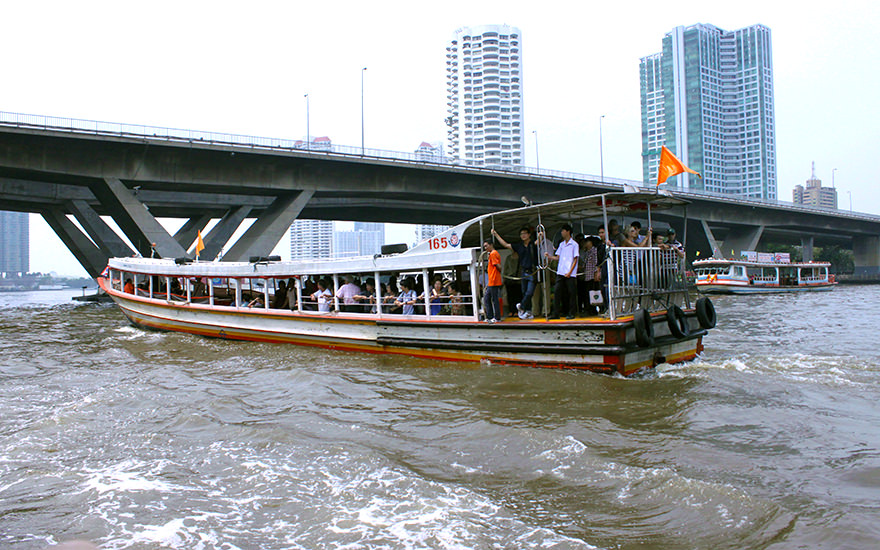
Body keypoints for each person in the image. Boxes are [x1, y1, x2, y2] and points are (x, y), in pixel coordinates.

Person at [491, 226, 538, 319]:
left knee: (529, 292)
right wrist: (496, 235)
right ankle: (527, 312)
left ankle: (521, 306)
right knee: (525, 293)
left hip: (532, 271)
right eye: (521, 234)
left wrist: (541, 235)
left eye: (525, 233)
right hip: (523, 272)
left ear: (529, 235)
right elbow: (505, 245)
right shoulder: (519, 246)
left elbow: (539, 241)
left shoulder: (533, 244)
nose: (523, 235)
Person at [545, 223, 579, 319]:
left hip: (570, 273)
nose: (562, 233)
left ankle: (571, 312)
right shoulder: (561, 244)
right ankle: (556, 313)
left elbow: (575, 259)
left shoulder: (574, 244)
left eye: (563, 231)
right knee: (557, 291)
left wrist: (570, 271)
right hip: (561, 271)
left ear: (568, 232)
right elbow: (558, 257)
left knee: (571, 293)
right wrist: (550, 257)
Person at [482, 238, 503, 322]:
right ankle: (491, 317)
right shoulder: (493, 254)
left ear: (491, 245)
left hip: (493, 281)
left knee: (491, 299)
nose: (485, 248)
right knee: (490, 298)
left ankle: (495, 317)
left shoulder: (493, 254)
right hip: (492, 281)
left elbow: (497, 266)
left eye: (486, 246)